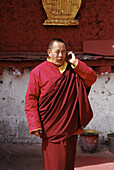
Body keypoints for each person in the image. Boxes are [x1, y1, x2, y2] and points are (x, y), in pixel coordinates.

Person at [25, 38, 97, 170]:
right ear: (49, 52)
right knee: (54, 165)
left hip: (71, 126)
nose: (60, 55)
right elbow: (31, 99)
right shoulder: (38, 72)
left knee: (68, 164)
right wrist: (35, 124)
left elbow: (92, 78)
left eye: (63, 52)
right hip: (51, 128)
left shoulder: (73, 70)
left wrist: (75, 62)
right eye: (57, 52)